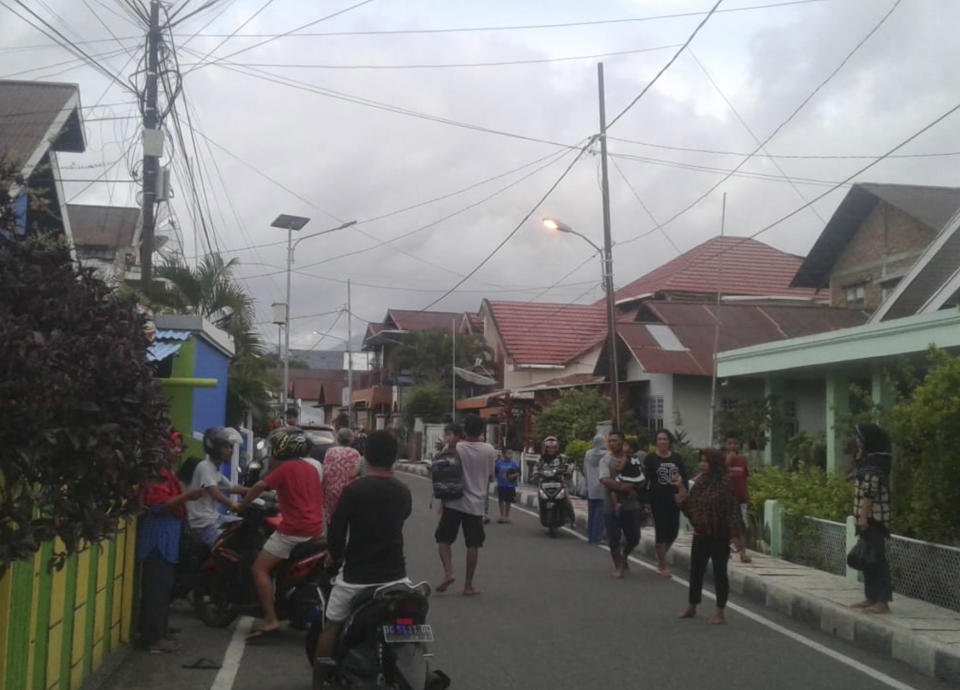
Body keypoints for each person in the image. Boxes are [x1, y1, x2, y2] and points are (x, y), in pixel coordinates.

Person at [312, 431, 412, 689]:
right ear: (394, 458)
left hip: (357, 578)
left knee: (332, 624)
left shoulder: (354, 489)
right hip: (397, 577)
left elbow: (336, 531)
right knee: (408, 620)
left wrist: (333, 556)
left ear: (366, 456)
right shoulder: (403, 491)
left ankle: (317, 682)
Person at [237, 427, 325, 639]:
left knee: (259, 569)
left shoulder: (285, 469)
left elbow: (260, 485)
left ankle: (270, 619)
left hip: (293, 531)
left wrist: (241, 506)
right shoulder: (311, 468)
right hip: (316, 530)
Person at [137, 433, 202, 653]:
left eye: (178, 447)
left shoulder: (166, 473)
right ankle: (154, 638)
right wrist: (187, 497)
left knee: (163, 589)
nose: (177, 451)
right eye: (173, 447)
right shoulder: (157, 475)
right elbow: (157, 505)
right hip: (158, 539)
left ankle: (160, 631)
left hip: (167, 539)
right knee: (157, 590)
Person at [675, 448, 741, 624]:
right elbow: (692, 506)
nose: (702, 464)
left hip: (720, 535)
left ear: (715, 464)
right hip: (701, 533)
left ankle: (720, 611)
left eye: (706, 461)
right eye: (701, 461)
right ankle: (693, 605)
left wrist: (735, 535)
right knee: (696, 570)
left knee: (720, 573)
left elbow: (732, 509)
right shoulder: (700, 482)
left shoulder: (725, 483)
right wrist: (680, 489)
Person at [435, 414, 495, 596]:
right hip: (476, 505)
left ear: (464, 430)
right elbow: (491, 476)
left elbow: (446, 470)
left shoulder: (457, 447)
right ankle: (468, 586)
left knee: (443, 540)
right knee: (473, 544)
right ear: (482, 431)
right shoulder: (489, 449)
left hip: (454, 500)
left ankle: (449, 573)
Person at [851, 422, 893, 614]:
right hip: (865, 517)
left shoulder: (878, 461)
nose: (858, 442)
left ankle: (882, 600)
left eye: (860, 438)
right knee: (867, 558)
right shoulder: (869, 459)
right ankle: (871, 597)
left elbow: (870, 492)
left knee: (876, 559)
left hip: (874, 518)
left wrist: (863, 517)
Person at [187, 428, 249, 548]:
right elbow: (214, 493)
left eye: (231, 447)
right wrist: (233, 504)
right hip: (203, 523)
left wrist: (260, 489)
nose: (230, 451)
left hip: (214, 518)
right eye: (226, 447)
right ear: (214, 448)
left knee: (244, 527)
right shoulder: (205, 466)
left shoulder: (215, 469)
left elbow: (233, 488)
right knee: (226, 549)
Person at [643, 430, 688, 578]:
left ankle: (661, 555)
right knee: (661, 530)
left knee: (673, 532)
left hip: (674, 499)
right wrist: (645, 501)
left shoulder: (677, 458)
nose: (662, 441)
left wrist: (683, 493)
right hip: (657, 499)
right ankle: (663, 565)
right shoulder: (650, 459)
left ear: (669, 441)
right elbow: (645, 480)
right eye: (660, 439)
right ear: (656, 441)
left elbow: (684, 478)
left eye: (665, 439)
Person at [599, 430, 643, 578]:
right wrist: (622, 488)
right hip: (612, 506)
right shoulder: (605, 460)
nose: (612, 443)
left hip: (631, 505)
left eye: (615, 440)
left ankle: (624, 556)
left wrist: (635, 488)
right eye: (610, 441)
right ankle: (618, 566)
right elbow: (605, 479)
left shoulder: (634, 459)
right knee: (613, 538)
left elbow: (641, 477)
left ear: (623, 442)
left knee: (634, 537)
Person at [323, 427, 363, 528]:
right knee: (347, 520)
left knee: (332, 521)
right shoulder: (355, 453)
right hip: (348, 491)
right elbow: (358, 473)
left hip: (331, 491)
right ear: (351, 439)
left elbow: (326, 470)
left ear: (338, 438)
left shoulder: (330, 451)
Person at [724, 434, 752, 564]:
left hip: (741, 498)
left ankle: (743, 553)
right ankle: (726, 550)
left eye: (735, 444)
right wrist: (729, 460)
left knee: (742, 525)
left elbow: (744, 478)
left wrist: (747, 495)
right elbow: (719, 474)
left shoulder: (743, 460)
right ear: (726, 446)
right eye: (730, 443)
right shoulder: (721, 459)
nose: (733, 446)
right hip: (726, 499)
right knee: (727, 525)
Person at [538, 436, 576, 526]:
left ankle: (572, 519)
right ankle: (542, 513)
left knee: (567, 500)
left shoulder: (561, 458)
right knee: (540, 496)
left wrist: (569, 470)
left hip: (559, 483)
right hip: (545, 483)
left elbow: (569, 465)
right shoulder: (541, 459)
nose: (551, 449)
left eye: (553, 447)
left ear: (556, 448)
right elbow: (536, 468)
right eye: (549, 447)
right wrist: (535, 474)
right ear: (545, 448)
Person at [583, 433, 608, 544]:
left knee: (592, 514)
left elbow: (584, 469)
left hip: (591, 488)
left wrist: (587, 484)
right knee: (600, 514)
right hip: (602, 488)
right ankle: (597, 537)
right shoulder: (607, 455)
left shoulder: (588, 454)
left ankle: (591, 537)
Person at [495, 448, 520, 524]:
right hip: (501, 485)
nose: (511, 455)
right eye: (509, 453)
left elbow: (519, 473)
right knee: (501, 500)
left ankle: (507, 516)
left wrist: (512, 476)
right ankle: (502, 516)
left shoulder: (514, 464)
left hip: (511, 486)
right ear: (503, 454)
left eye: (511, 453)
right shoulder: (498, 463)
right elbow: (496, 472)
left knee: (508, 501)